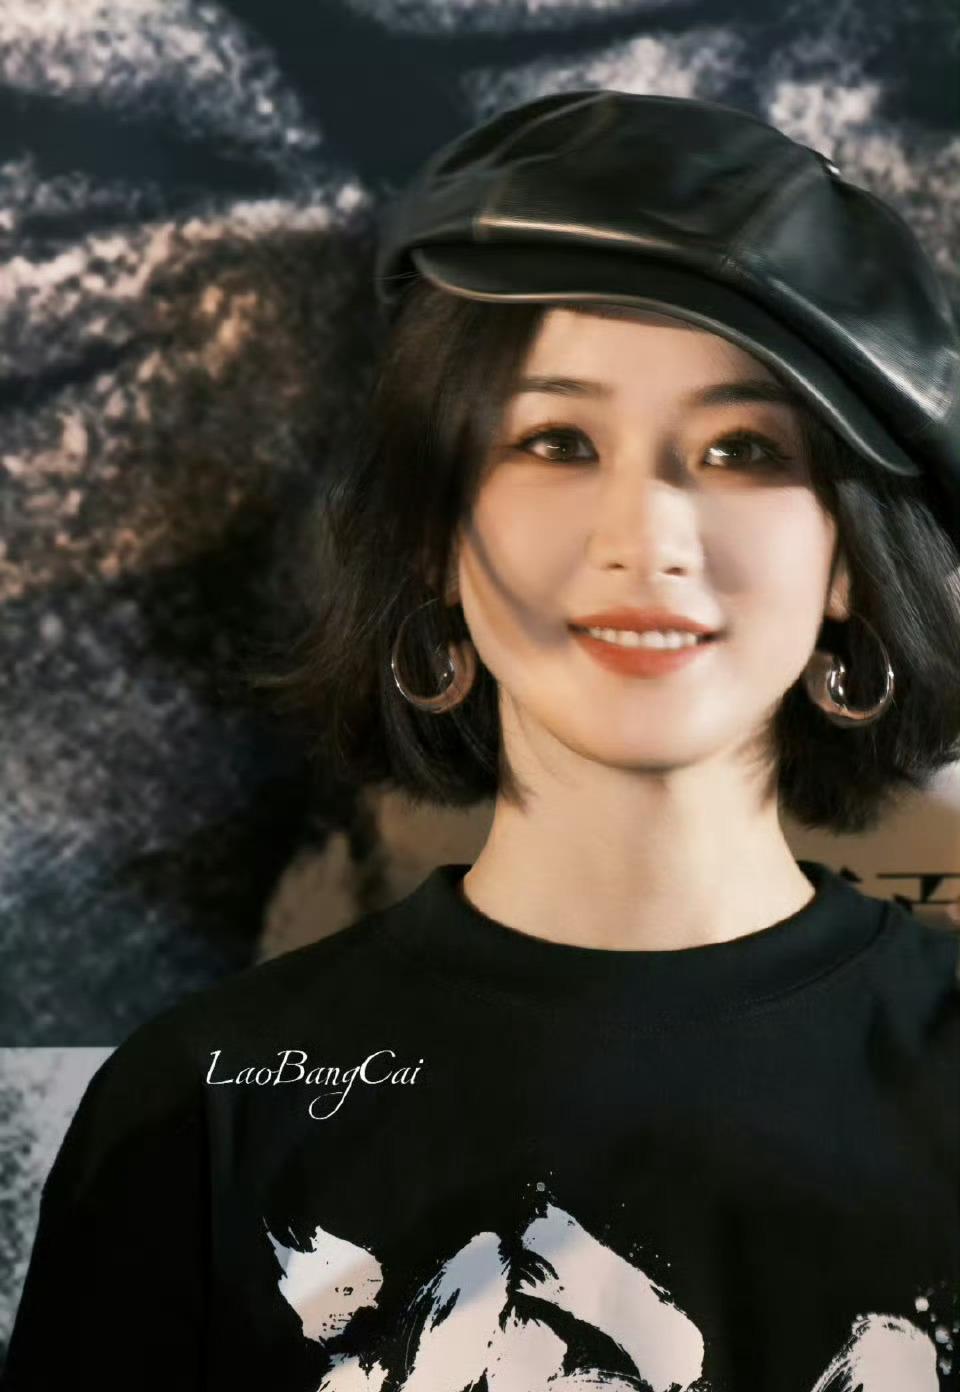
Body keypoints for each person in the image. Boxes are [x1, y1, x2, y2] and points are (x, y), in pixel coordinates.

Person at [4, 89, 959, 1392]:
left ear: (848, 553)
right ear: (436, 532)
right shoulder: (207, 1114)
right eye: (557, 441)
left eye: (742, 448)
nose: (648, 536)